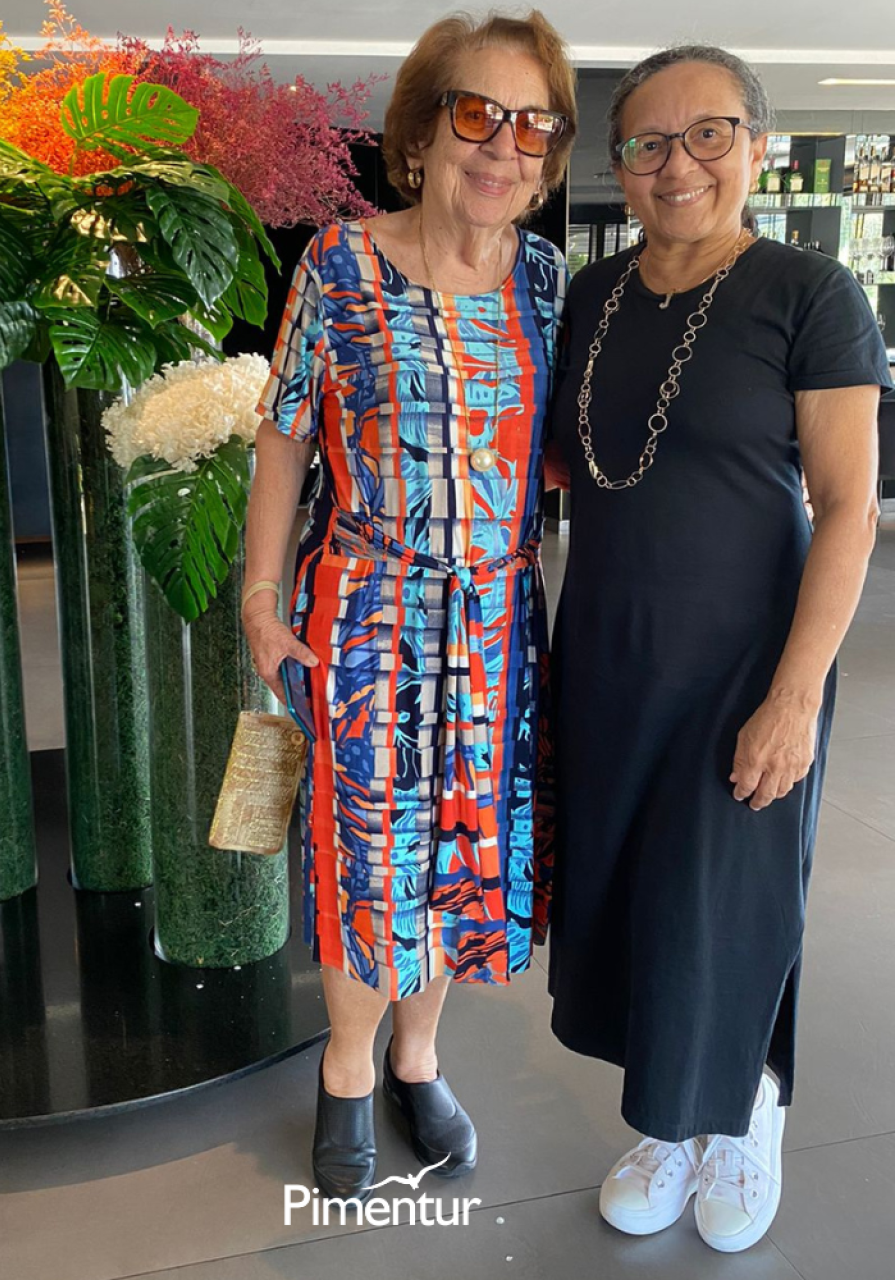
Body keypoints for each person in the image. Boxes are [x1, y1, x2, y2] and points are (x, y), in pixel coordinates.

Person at [547, 45, 892, 1254]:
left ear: (756, 144)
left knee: (726, 898)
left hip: (748, 658)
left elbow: (846, 508)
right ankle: (670, 1119)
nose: (676, 164)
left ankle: (747, 1112)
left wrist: (794, 696)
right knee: (630, 893)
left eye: (707, 135)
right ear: (619, 162)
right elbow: (556, 462)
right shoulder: (589, 296)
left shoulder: (809, 292)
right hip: (606, 648)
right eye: (646, 142)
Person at [242, 11, 575, 1200]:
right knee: (366, 853)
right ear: (423, 130)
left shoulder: (546, 282)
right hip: (365, 616)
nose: (502, 146)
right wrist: (260, 596)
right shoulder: (337, 264)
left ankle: (417, 1054)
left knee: (461, 854)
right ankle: (345, 1062)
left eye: (532, 125)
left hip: (496, 628)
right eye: (477, 113)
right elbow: (284, 436)